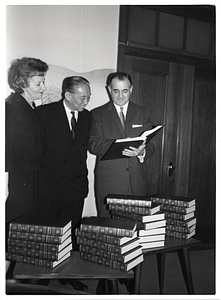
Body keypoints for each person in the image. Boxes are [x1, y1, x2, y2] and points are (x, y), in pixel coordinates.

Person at [36, 76, 92, 291]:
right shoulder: (44, 114)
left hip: (75, 186)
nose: (86, 102)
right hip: (50, 186)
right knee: (48, 233)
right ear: (68, 95)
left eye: (88, 97)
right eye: (82, 97)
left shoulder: (87, 118)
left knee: (72, 233)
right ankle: (42, 278)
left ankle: (69, 274)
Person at [89, 71, 155, 218]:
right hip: (109, 183)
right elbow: (93, 144)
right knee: (107, 232)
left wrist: (142, 152)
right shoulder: (97, 114)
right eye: (116, 91)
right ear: (108, 90)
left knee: (134, 231)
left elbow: (152, 144)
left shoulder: (142, 112)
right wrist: (120, 146)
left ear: (131, 89)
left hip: (136, 184)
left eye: (125, 91)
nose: (120, 96)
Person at [5, 57, 48, 279]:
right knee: (19, 236)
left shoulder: (29, 107)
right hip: (20, 182)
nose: (43, 87)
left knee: (27, 236)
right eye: (38, 83)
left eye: (43, 82)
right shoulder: (11, 107)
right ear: (22, 82)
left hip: (32, 180)